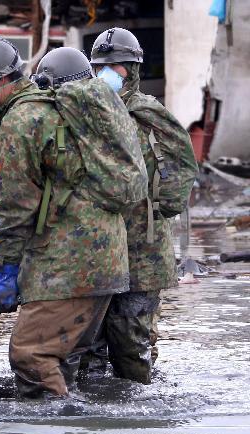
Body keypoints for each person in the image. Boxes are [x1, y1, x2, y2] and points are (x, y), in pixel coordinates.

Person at [0, 38, 130, 398]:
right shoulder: (55, 106)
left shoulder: (22, 119)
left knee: (32, 356)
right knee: (65, 361)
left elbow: (17, 205)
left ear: (1, 81)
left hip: (68, 264)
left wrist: (6, 269)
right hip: (108, 258)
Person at [89, 27, 197, 383]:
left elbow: (183, 162)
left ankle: (138, 400)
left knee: (135, 330)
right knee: (92, 335)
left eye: (117, 66)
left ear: (132, 69)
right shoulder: (88, 111)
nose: (109, 74)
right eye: (101, 66)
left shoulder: (148, 113)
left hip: (143, 241)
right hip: (98, 241)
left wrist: (163, 207)